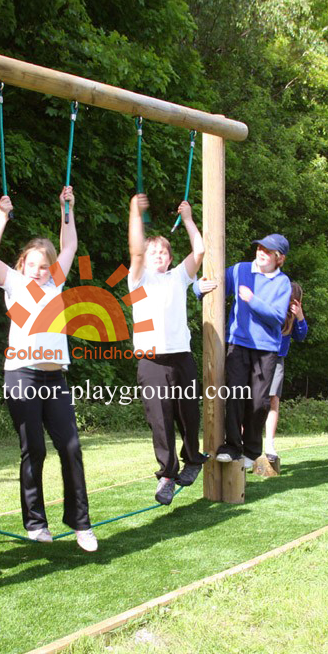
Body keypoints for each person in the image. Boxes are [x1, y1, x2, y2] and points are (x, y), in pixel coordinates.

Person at [0, 186, 98, 552]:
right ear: (23, 266)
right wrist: (1, 218)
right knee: (34, 450)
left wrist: (68, 209)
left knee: (71, 446)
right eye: (34, 264)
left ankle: (81, 524)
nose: (41, 269)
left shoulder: (54, 283)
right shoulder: (14, 283)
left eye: (45, 265)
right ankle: (35, 523)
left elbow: (70, 246)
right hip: (22, 375)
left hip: (54, 377)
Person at [127, 195, 207, 505]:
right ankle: (167, 476)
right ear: (145, 257)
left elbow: (199, 250)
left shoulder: (178, 277)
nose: (158, 254)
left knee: (188, 415)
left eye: (163, 251)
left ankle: (193, 461)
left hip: (181, 358)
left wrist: (187, 219)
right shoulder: (138, 280)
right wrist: (136, 213)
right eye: (153, 251)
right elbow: (135, 249)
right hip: (151, 361)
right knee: (160, 420)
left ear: (170, 257)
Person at [197, 234, 291, 469]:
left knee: (259, 402)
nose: (261, 252)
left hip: (266, 348)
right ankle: (232, 446)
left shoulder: (283, 283)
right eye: (260, 248)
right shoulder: (240, 270)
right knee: (236, 395)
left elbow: (278, 317)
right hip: (238, 343)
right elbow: (214, 283)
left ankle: (251, 450)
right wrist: (197, 288)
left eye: (268, 251)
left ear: (279, 259)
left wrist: (252, 300)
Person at [263, 282, 307, 462]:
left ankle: (269, 444)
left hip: (277, 359)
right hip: (259, 356)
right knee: (252, 401)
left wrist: (300, 317)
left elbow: (301, 336)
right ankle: (243, 443)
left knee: (273, 401)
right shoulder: (269, 307)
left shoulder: (292, 318)